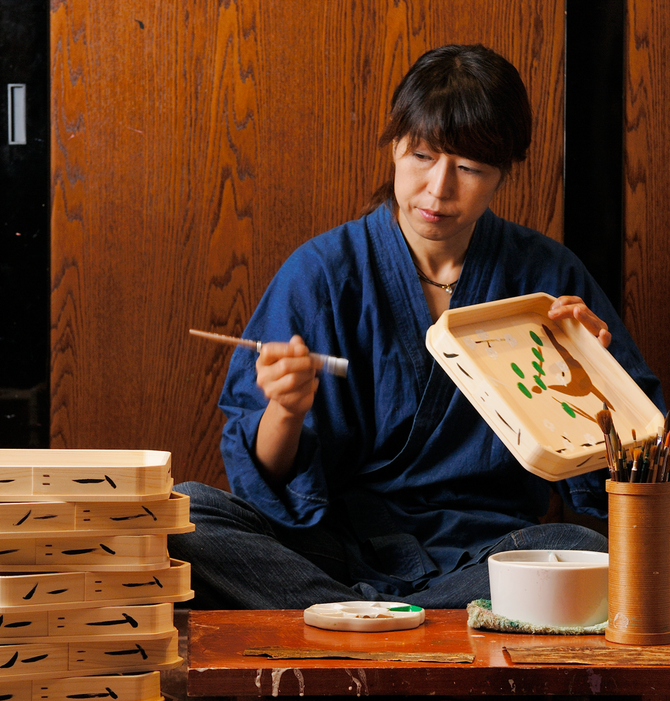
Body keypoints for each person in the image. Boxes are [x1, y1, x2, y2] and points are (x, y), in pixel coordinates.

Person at [171, 44, 664, 609]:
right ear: (395, 145)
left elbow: (642, 473)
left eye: (471, 168)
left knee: (583, 552)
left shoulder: (547, 277)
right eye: (423, 156)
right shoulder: (323, 271)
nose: (438, 189)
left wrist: (595, 385)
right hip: (337, 544)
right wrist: (285, 410)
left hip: (486, 552)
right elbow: (264, 483)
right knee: (184, 514)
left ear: (504, 174)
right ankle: (406, 630)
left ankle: (347, 627)